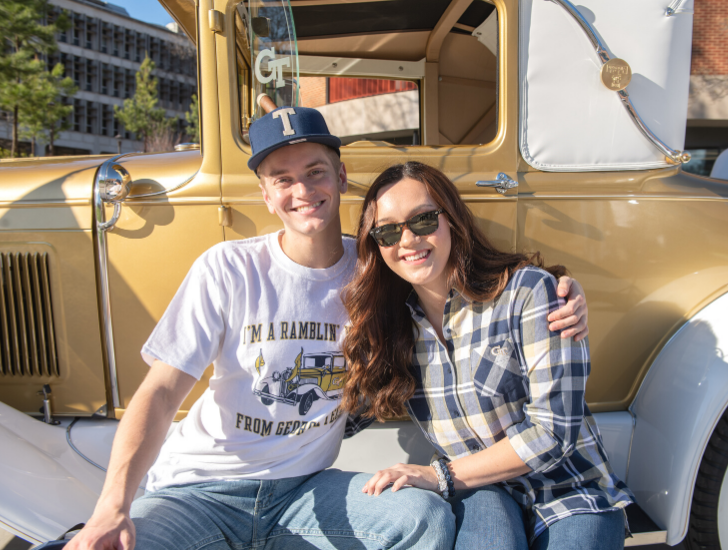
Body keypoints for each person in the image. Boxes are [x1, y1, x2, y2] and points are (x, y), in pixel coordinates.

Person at [52, 108, 590, 550]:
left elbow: (456, 283)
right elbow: (162, 390)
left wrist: (561, 290)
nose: (301, 190)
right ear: (266, 195)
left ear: (340, 178)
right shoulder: (227, 268)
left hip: (305, 490)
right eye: (282, 179)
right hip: (198, 491)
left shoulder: (382, 268)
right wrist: (111, 506)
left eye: (314, 171)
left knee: (422, 517)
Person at [341, 162, 635, 550]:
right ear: (376, 246)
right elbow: (337, 420)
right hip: (482, 492)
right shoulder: (391, 330)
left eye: (424, 220)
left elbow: (553, 433)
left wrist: (438, 477)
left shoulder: (528, 293)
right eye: (388, 230)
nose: (408, 240)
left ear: (453, 220)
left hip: (571, 487)